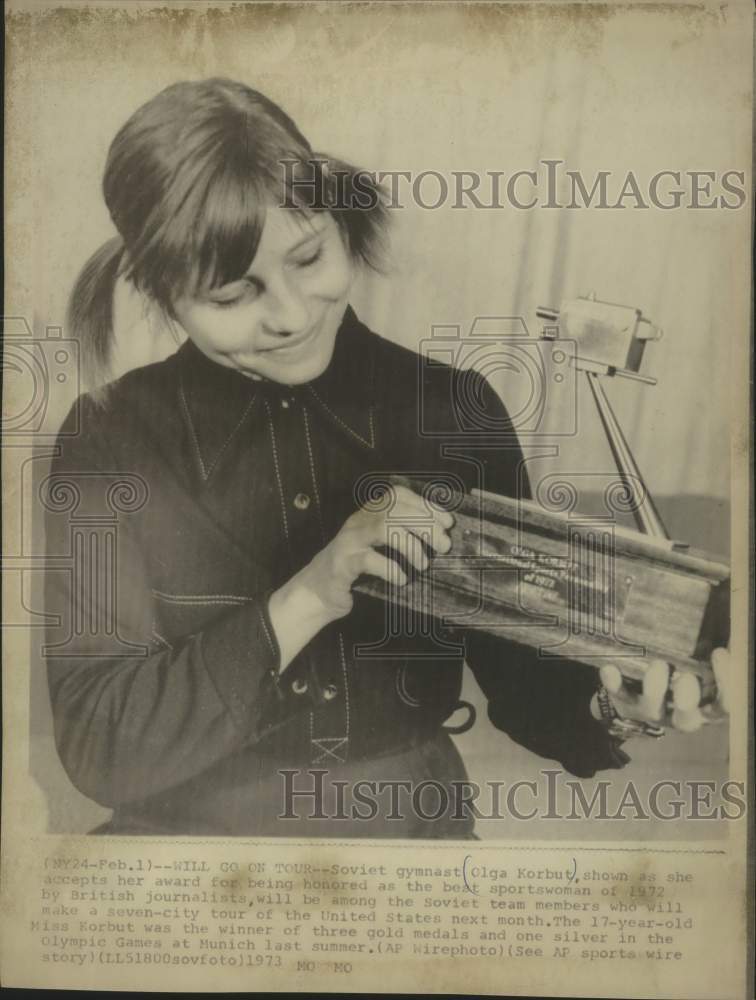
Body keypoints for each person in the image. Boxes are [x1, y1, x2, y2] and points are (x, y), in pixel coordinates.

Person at [44, 78, 728, 837]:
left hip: (407, 835)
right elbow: (98, 744)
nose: (292, 316)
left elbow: (529, 688)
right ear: (161, 292)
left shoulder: (454, 411)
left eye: (309, 258)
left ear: (338, 222)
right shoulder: (109, 440)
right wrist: (308, 595)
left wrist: (613, 705)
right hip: (187, 853)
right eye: (233, 297)